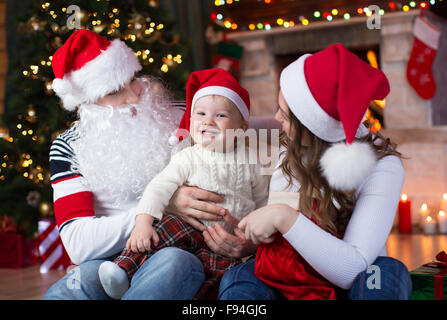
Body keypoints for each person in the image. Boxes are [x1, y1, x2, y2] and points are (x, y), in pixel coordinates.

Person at [218, 43, 413, 300]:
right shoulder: (290, 152)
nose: (276, 118)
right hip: (294, 275)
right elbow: (284, 241)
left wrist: (282, 216)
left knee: (386, 270)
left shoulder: (383, 166)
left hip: (351, 281)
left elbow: (353, 268)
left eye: (285, 116)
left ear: (312, 127)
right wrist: (254, 240)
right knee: (241, 275)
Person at [42, 29, 214, 300]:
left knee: (173, 265)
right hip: (106, 261)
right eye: (114, 91)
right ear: (87, 103)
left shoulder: (185, 114)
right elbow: (78, 243)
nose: (134, 96)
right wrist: (158, 207)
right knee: (72, 289)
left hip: (176, 248)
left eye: (132, 80)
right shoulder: (69, 146)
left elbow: (240, 140)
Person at [97, 68, 269, 300]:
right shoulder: (187, 156)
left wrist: (256, 236)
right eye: (200, 113)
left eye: (221, 116)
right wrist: (142, 222)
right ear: (191, 121)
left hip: (225, 241)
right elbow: (158, 187)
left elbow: (262, 202)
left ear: (242, 129)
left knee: (216, 278)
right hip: (187, 228)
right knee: (160, 232)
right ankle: (123, 272)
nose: (208, 121)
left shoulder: (253, 161)